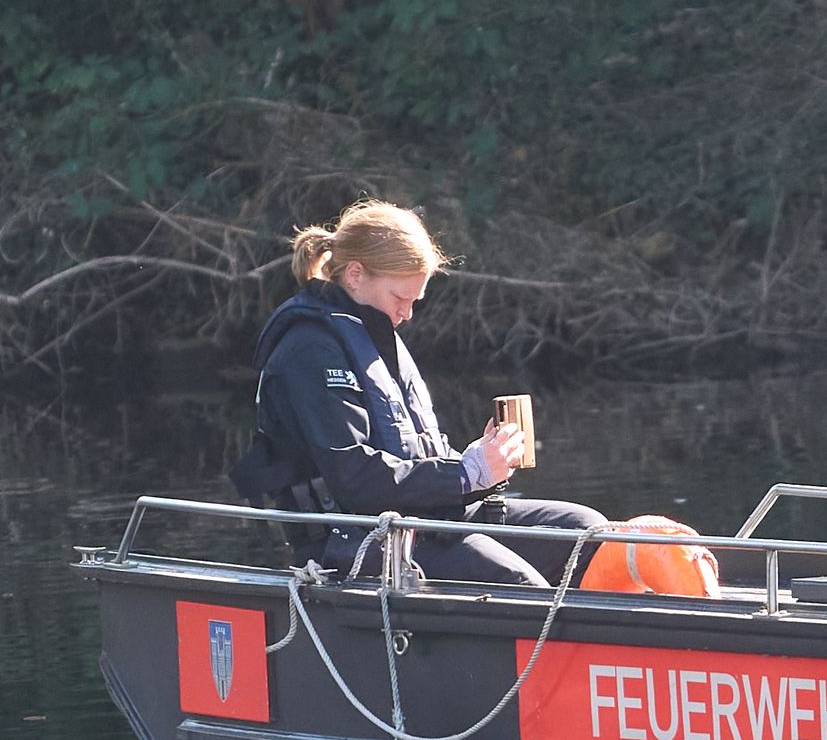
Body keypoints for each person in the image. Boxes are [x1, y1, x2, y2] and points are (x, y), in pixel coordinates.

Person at [235, 200, 608, 586]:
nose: (408, 314)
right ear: (356, 275)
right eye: (401, 299)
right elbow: (356, 480)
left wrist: (483, 466)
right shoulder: (309, 351)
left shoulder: (373, 334)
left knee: (586, 531)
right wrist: (464, 475)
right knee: (514, 580)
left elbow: (413, 453)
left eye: (415, 301)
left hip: (425, 519)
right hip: (356, 540)